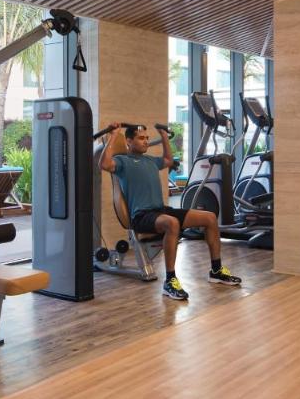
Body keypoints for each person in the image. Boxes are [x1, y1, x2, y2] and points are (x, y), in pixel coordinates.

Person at [100, 122, 242, 300]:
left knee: (210, 218)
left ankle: (216, 270)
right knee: (172, 223)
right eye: (141, 138)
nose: (146, 141)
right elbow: (104, 164)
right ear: (128, 141)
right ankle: (170, 281)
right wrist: (114, 135)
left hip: (161, 211)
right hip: (142, 215)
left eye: (147, 138)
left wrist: (164, 137)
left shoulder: (150, 160)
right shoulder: (122, 161)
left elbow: (167, 160)